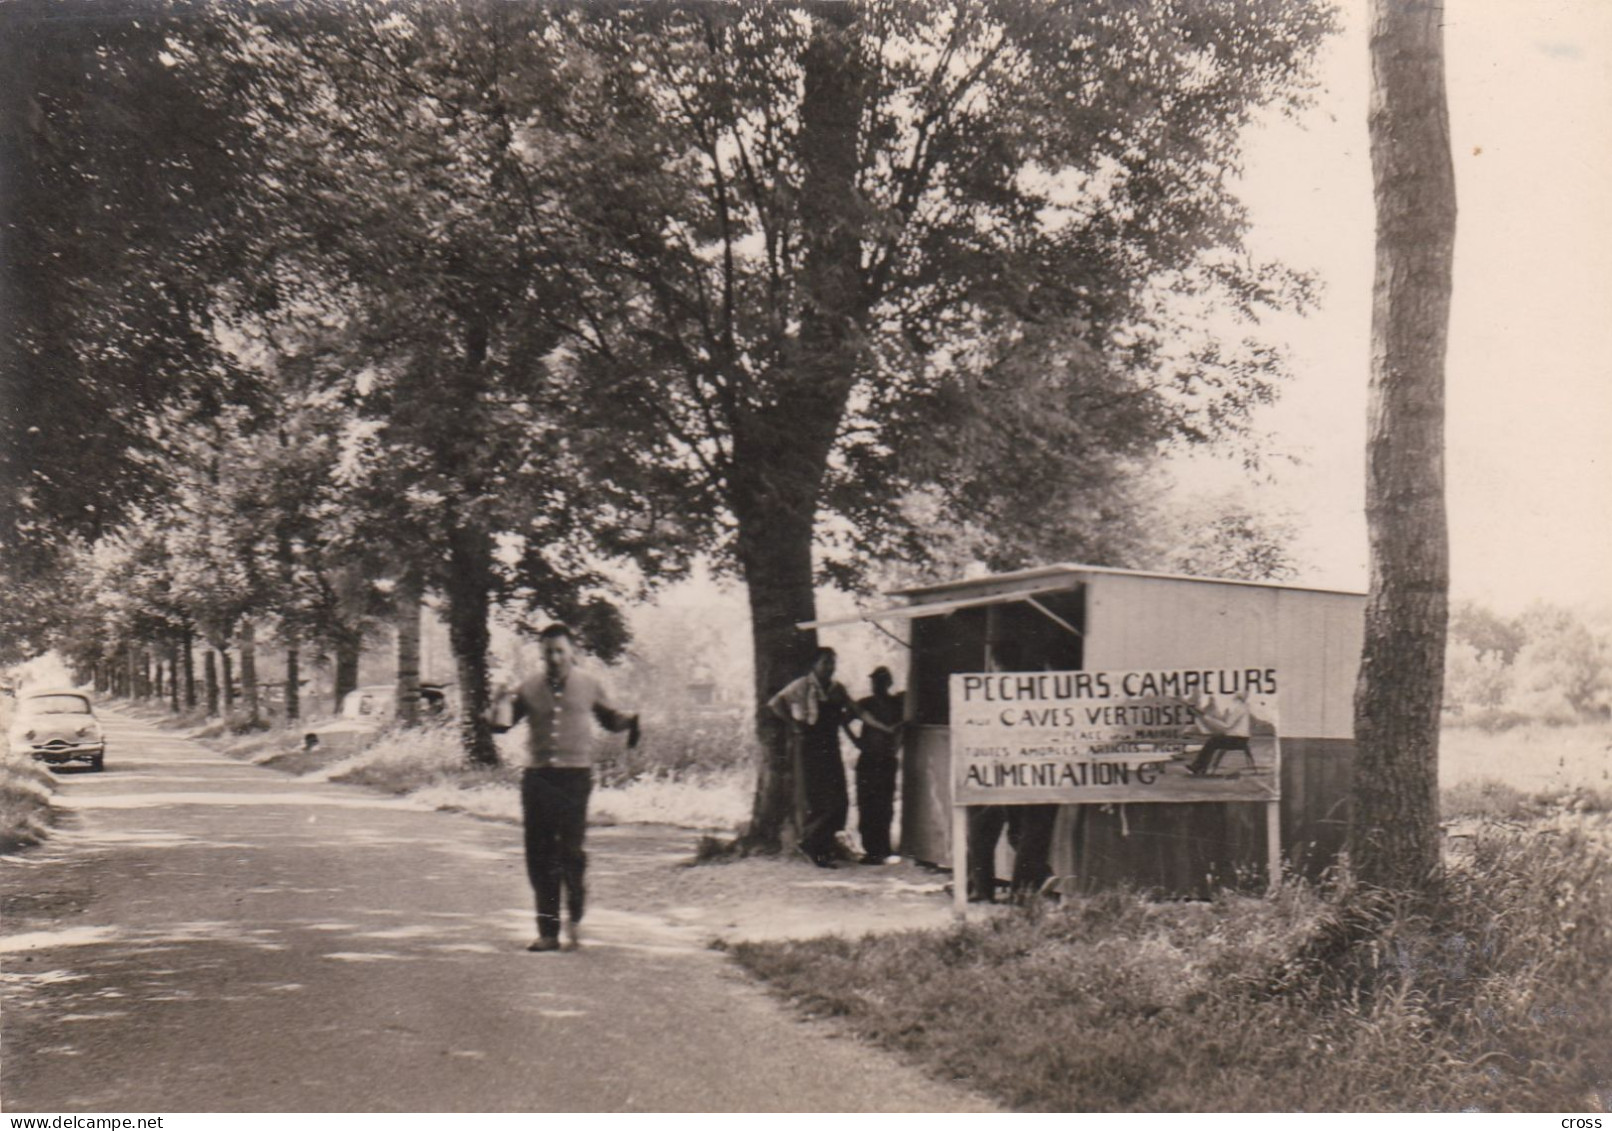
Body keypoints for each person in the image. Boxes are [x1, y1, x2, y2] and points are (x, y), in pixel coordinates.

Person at [488, 624, 640, 953]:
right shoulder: (528, 687)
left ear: (572, 652)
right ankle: (548, 932)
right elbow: (500, 725)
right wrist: (498, 698)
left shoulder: (589, 684)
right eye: (548, 652)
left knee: (570, 852)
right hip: (538, 777)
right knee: (539, 856)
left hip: (575, 777)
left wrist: (631, 721)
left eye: (560, 651)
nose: (555, 658)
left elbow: (610, 719)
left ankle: (577, 901)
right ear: (541, 654)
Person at [767, 647, 866, 868]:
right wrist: (794, 725)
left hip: (831, 746)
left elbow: (853, 708)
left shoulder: (836, 689)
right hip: (809, 747)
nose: (830, 668)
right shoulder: (803, 685)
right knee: (818, 798)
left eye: (832, 663)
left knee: (840, 799)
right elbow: (775, 703)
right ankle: (814, 847)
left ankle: (820, 844)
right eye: (825, 663)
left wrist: (856, 716)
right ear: (814, 665)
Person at [851, 666, 905, 864]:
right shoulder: (865, 703)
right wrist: (856, 741)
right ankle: (871, 850)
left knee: (885, 804)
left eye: (881, 681)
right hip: (868, 758)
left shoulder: (897, 704)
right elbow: (844, 718)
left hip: (886, 759)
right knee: (867, 804)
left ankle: (883, 848)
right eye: (874, 681)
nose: (876, 685)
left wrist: (897, 746)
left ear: (888, 683)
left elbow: (904, 727)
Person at [1185, 689, 1254, 776]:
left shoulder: (1239, 708)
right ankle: (1199, 767)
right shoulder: (1240, 707)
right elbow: (1225, 725)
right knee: (1213, 740)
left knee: (1212, 741)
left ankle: (1198, 767)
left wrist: (1207, 718)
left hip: (1238, 739)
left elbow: (1226, 726)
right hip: (1239, 738)